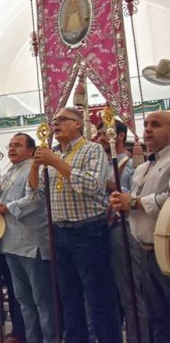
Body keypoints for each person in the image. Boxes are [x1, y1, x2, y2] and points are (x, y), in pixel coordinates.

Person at [29, 107, 119, 342]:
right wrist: (36, 164)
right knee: (69, 298)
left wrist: (55, 161)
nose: (56, 124)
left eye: (62, 120)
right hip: (60, 232)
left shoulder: (92, 149)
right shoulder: (54, 155)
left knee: (99, 297)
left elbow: (92, 185)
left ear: (78, 124)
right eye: (54, 121)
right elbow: (36, 191)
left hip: (89, 231)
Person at [0, 133, 56, 343]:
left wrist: (6, 207)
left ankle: (50, 338)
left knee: (42, 300)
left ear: (31, 150)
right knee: (23, 300)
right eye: (10, 145)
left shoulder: (36, 168)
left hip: (32, 243)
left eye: (17, 145)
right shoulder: (8, 172)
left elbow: (37, 199)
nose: (11, 149)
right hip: (10, 243)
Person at [109, 111, 170, 342]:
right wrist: (121, 202)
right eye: (146, 125)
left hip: (166, 250)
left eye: (156, 124)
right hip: (143, 250)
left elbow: (168, 200)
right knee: (157, 317)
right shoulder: (143, 168)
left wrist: (134, 202)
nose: (148, 129)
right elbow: (133, 202)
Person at [95, 119, 150, 343]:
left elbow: (131, 195)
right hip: (103, 230)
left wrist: (103, 182)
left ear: (118, 136)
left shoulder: (129, 165)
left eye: (104, 134)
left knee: (131, 293)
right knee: (110, 292)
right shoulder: (103, 163)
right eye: (99, 134)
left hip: (122, 229)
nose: (100, 139)